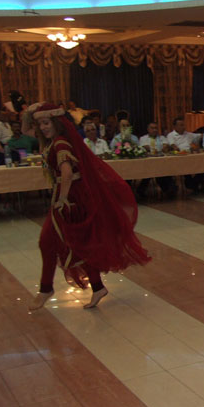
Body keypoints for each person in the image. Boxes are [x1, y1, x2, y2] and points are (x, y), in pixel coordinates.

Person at [25, 103, 151, 311]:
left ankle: (46, 288)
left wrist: (62, 199)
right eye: (41, 124)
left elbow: (66, 173)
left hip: (69, 199)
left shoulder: (60, 144)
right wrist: (30, 113)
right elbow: (27, 130)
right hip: (70, 197)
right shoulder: (52, 141)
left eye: (46, 123)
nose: (43, 127)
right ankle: (96, 287)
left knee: (49, 242)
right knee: (76, 244)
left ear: (56, 122)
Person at [137, 122, 175, 199]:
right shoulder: (143, 138)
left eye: (156, 128)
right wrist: (157, 149)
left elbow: (165, 147)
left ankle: (169, 189)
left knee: (166, 170)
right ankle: (141, 191)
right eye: (152, 128)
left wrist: (156, 149)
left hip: (162, 163)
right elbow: (145, 148)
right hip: (147, 164)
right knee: (148, 172)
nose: (154, 130)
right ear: (148, 129)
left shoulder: (162, 138)